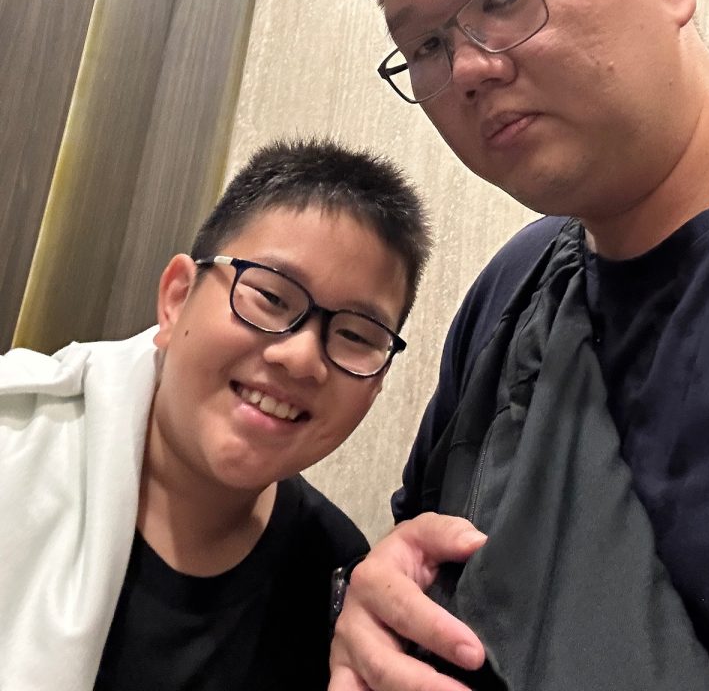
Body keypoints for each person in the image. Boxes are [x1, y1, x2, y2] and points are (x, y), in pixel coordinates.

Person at [330, 0, 709, 691]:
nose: (469, 70)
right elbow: (436, 559)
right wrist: (376, 605)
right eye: (426, 45)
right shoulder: (518, 289)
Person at [0, 137, 431, 691]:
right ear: (177, 297)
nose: (301, 358)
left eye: (355, 335)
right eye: (270, 297)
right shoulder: (15, 437)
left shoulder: (334, 584)